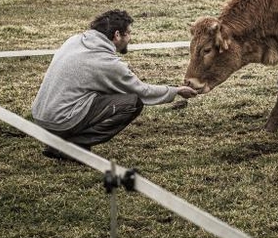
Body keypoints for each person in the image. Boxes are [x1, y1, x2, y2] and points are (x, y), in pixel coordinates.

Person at [32, 9, 197, 160]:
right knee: (132, 104)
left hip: (40, 116)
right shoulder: (106, 62)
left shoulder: (74, 40)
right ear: (117, 35)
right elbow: (142, 91)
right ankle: (72, 146)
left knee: (107, 93)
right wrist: (175, 90)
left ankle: (58, 142)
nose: (130, 38)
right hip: (60, 121)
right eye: (129, 34)